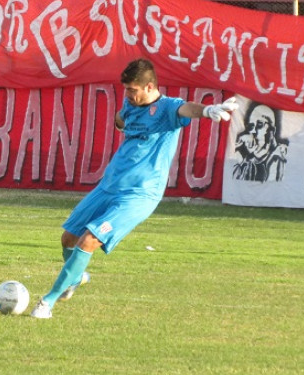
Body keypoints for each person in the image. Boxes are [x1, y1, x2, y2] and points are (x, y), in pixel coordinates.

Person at [30, 58, 239, 319]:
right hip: (109, 186)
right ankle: (75, 278)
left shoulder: (166, 109)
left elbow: (186, 109)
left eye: (132, 90)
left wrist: (207, 111)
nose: (127, 95)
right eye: (126, 90)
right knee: (68, 239)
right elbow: (121, 120)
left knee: (89, 240)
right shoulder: (130, 106)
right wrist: (121, 119)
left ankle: (47, 302)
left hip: (138, 195)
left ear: (149, 86)